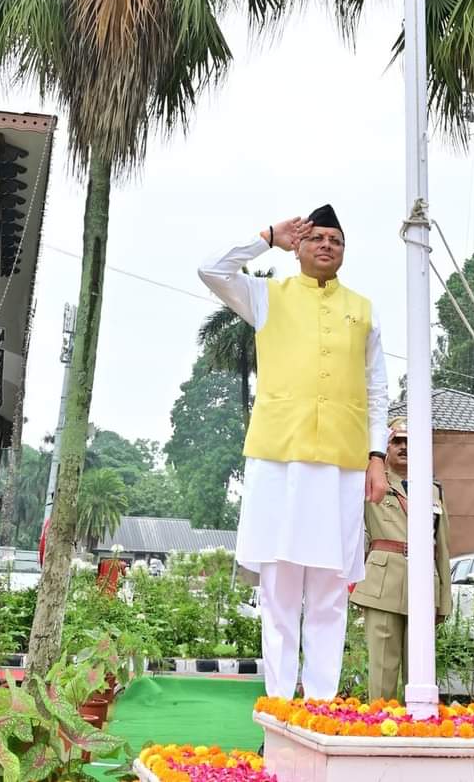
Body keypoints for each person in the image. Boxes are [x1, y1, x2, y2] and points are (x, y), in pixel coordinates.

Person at [198, 206, 388, 701]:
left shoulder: (362, 310)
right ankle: (281, 709)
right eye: (317, 237)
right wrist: (265, 237)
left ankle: (321, 708)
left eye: (336, 240)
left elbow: (378, 390)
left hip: (342, 467)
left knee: (329, 593)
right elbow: (211, 269)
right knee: (279, 593)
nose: (327, 245)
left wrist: (377, 456)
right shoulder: (266, 296)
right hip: (279, 462)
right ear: (299, 246)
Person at [349, 416, 452, 701]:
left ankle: (415, 734)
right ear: (386, 446)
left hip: (423, 584)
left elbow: (442, 546)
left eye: (410, 442)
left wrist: (444, 597)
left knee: (420, 671)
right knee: (383, 670)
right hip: (383, 583)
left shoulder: (433, 491)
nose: (404, 447)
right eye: (397, 441)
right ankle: (378, 731)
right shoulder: (369, 483)